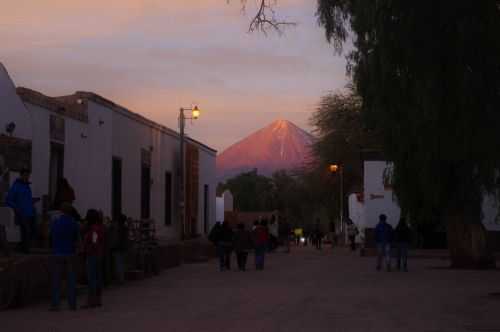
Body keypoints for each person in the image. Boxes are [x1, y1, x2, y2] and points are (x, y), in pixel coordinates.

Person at [49, 203, 80, 311]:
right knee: (71, 280)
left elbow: (51, 236)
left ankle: (55, 304)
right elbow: (77, 239)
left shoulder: (55, 222)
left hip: (57, 253)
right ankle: (72, 304)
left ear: (61, 211)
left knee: (56, 281)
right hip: (70, 253)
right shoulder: (74, 223)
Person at [6, 168, 39, 253]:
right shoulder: (15, 186)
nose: (27, 177)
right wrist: (17, 208)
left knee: (32, 231)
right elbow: (9, 200)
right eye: (25, 175)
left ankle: (21, 247)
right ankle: (25, 250)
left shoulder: (27, 186)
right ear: (21, 175)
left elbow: (26, 200)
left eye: (28, 175)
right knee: (26, 231)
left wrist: (33, 201)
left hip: (30, 213)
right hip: (22, 213)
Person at [82, 209, 105, 308]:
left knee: (92, 278)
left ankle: (91, 300)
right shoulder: (99, 227)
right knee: (97, 278)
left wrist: (87, 249)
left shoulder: (94, 229)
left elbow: (94, 242)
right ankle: (97, 299)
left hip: (92, 255)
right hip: (98, 255)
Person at [110, 214, 129, 284]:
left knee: (118, 264)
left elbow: (116, 239)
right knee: (122, 263)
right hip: (123, 248)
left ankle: (120, 279)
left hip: (118, 248)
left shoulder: (117, 228)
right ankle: (122, 278)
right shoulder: (125, 228)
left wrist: (113, 246)